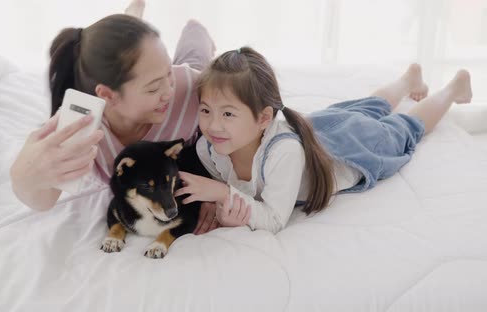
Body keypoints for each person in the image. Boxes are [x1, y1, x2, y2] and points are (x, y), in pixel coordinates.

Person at [175, 46, 473, 233]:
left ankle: (453, 88)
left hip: (348, 150)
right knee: (364, 107)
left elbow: (274, 219)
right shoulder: (209, 149)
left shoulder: (283, 154)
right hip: (318, 128)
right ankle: (409, 80)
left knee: (405, 127)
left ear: (263, 118)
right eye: (205, 110)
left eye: (227, 114)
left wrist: (223, 194)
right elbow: (242, 194)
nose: (213, 124)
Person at [10, 0, 221, 234]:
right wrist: (23, 177)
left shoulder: (188, 87)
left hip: (189, 76)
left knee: (194, 58)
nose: (167, 93)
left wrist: (213, 191)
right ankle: (134, 19)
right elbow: (43, 200)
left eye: (167, 77)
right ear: (107, 95)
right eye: (153, 88)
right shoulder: (82, 123)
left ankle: (194, 30)